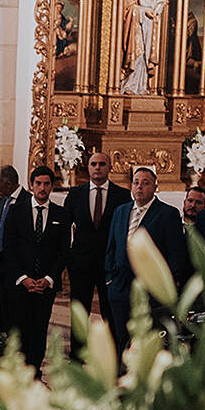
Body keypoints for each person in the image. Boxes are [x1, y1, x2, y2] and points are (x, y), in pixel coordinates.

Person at [104, 166, 188, 349]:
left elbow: (176, 253)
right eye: (136, 183)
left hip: (150, 291)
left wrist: (165, 284)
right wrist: (110, 279)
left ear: (155, 186)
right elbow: (111, 246)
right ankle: (120, 374)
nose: (140, 187)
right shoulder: (121, 211)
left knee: (146, 340)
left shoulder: (167, 213)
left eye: (145, 183)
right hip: (119, 288)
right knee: (120, 338)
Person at [0, 167, 68, 368]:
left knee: (39, 330)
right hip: (20, 284)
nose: (42, 188)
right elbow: (9, 249)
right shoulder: (16, 211)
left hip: (45, 286)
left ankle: (35, 374)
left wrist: (48, 279)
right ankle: (18, 374)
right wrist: (23, 278)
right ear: (31, 185)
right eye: (38, 183)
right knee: (18, 331)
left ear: (52, 186)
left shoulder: (60, 214)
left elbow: (63, 252)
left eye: (46, 184)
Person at [68, 150, 131, 353]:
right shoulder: (75, 194)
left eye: (102, 164)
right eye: (94, 164)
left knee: (110, 312)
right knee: (79, 312)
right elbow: (63, 228)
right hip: (81, 264)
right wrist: (70, 258)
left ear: (110, 168)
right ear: (87, 168)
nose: (97, 168)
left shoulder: (121, 196)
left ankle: (113, 356)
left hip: (109, 265)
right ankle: (77, 357)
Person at [0, 165, 23, 332]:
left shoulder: (26, 201)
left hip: (17, 266)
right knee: (4, 310)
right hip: (1, 263)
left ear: (9, 183)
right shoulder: (2, 201)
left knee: (17, 312)